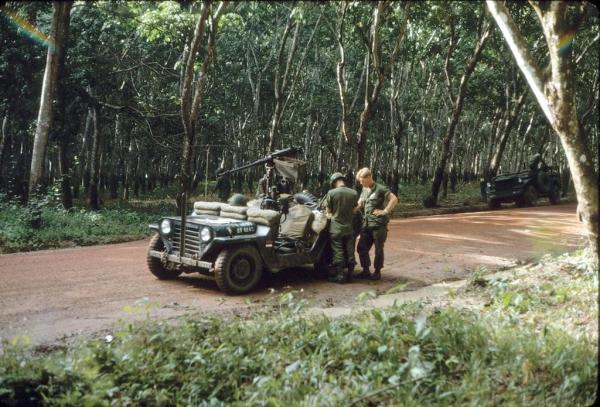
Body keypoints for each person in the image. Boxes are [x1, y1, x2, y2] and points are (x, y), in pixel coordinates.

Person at [355, 167, 398, 281]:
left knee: (379, 249)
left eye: (362, 181)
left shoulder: (380, 189)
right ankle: (366, 271)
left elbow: (394, 199)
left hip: (378, 226)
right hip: (367, 225)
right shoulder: (364, 189)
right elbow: (359, 203)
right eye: (360, 181)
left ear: (369, 177)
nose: (361, 183)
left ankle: (377, 272)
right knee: (361, 248)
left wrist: (385, 211)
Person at [324, 172, 359, 283]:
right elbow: (354, 210)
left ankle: (340, 276)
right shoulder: (353, 193)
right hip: (349, 228)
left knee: (338, 251)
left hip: (336, 228)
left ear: (334, 182)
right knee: (350, 250)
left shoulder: (332, 192)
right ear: (343, 180)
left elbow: (328, 211)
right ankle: (350, 274)